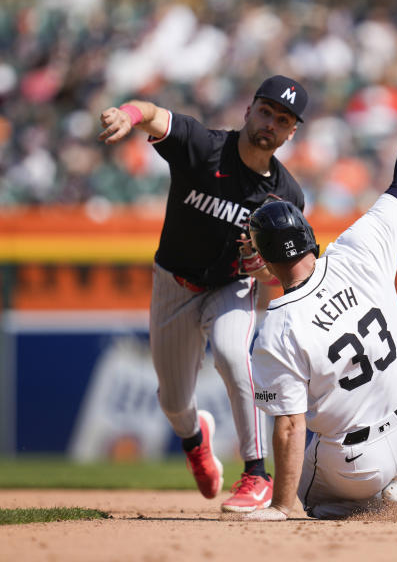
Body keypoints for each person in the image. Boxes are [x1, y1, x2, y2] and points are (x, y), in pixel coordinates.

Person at [243, 74, 397, 521]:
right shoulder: (358, 251)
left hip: (357, 466)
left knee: (310, 492)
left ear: (265, 259)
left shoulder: (278, 327)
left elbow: (290, 425)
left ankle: (360, 503)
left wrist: (281, 506)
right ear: (307, 236)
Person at [97, 75, 308, 513]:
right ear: (249, 111)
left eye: (283, 119)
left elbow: (278, 284)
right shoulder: (203, 146)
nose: (271, 122)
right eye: (266, 110)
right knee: (174, 402)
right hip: (173, 282)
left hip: (231, 286)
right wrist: (127, 114)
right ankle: (196, 441)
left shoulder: (287, 196)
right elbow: (153, 115)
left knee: (233, 355)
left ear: (291, 133)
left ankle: (255, 474)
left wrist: (261, 271)